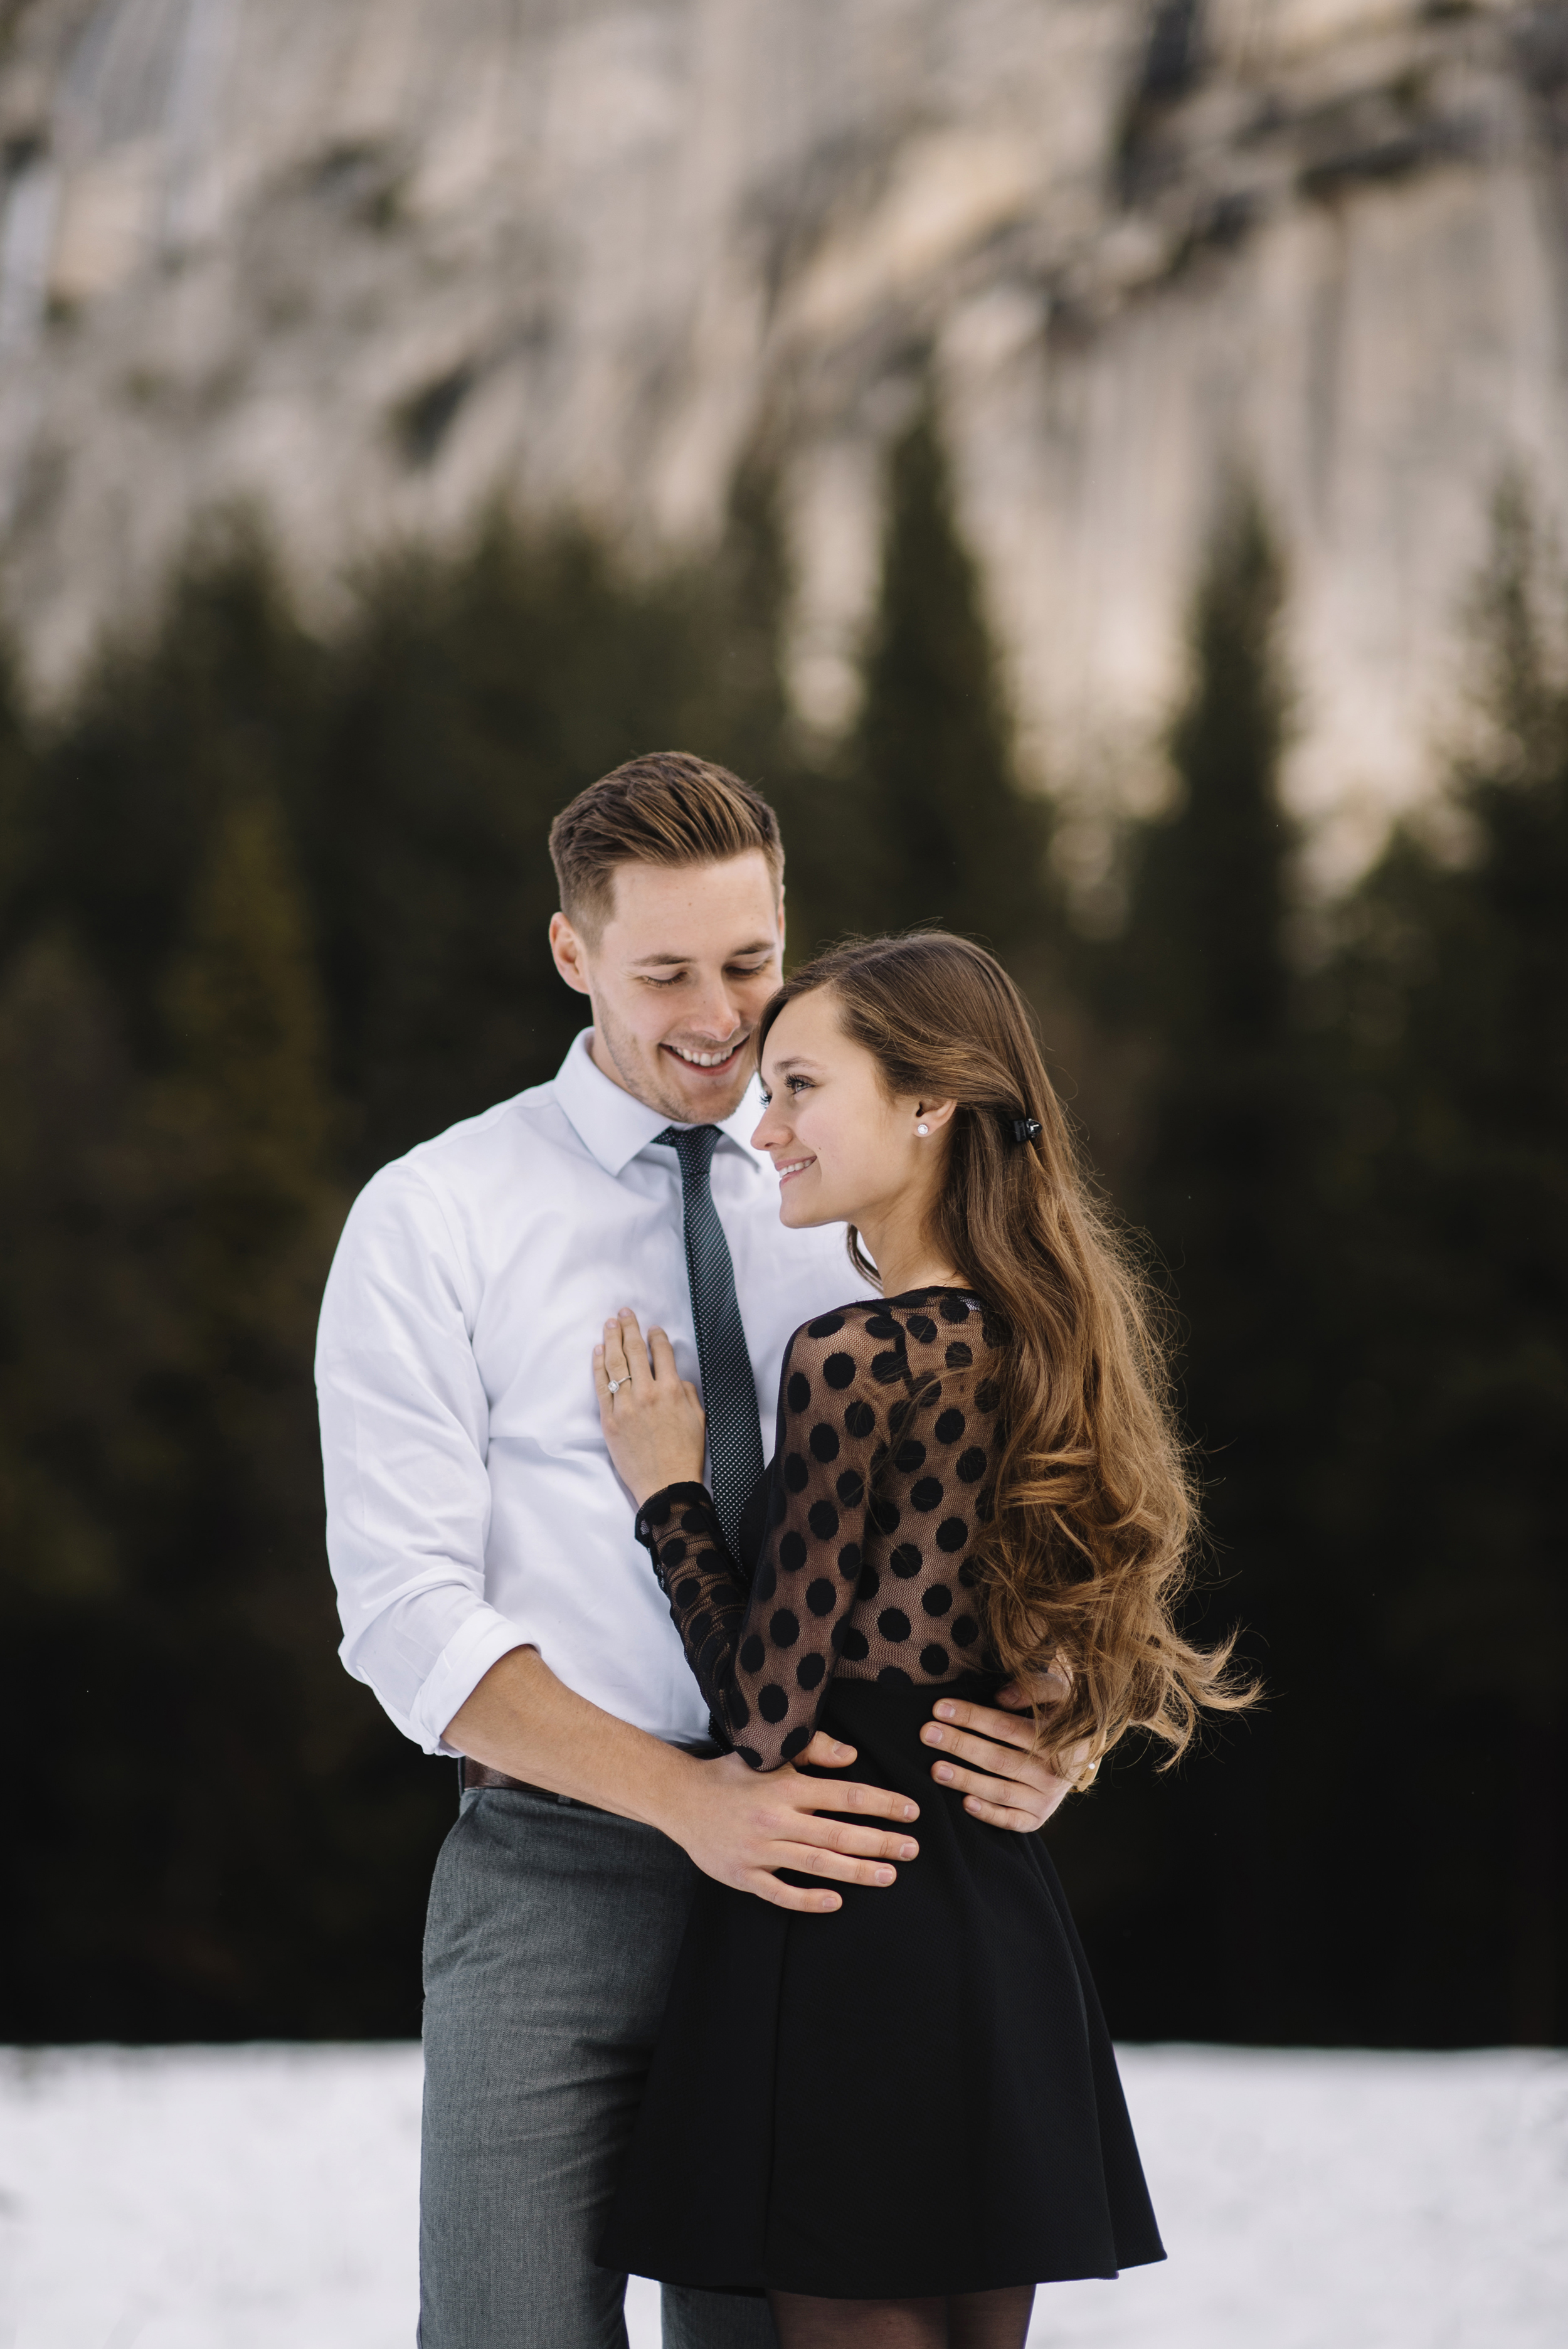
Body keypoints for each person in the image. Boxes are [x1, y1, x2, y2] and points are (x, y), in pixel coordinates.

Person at [315, 755, 1076, 2349]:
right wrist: (692, 1802)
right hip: (559, 1875)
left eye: (748, 964)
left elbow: (1034, 1480)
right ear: (570, 952)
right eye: (663, 972)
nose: (717, 1017)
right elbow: (402, 1615)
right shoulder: (434, 1213)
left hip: (839, 1880)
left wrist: (1066, 1718)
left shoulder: (844, 1187)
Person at [591, 931, 1254, 2349]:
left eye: (799, 1087)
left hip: (848, 1919)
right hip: (991, 1919)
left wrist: (665, 1493)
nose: (763, 1128)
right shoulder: (1048, 1334)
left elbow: (765, 1715)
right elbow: (1053, 1647)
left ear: (926, 1103)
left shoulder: (854, 1353)